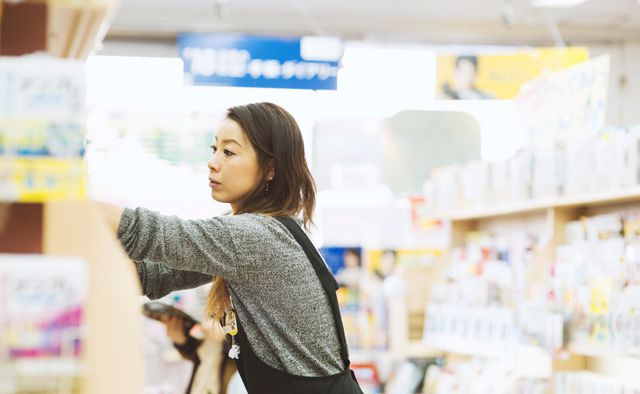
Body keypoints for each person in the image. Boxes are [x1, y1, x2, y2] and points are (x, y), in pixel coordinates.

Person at [99, 102, 363, 394]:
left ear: (270, 168)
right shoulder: (261, 229)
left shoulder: (257, 236)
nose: (213, 162)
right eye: (214, 149)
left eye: (229, 152)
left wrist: (68, 204)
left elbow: (145, 232)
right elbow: (158, 276)